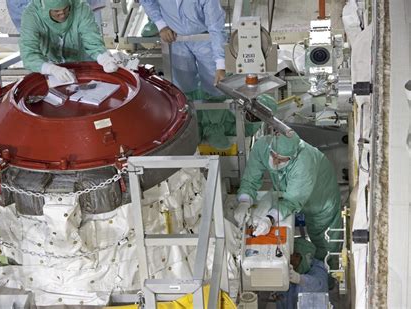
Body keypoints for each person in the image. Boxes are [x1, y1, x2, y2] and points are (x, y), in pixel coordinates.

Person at [234, 132, 342, 261]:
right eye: (273, 155)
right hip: (291, 191)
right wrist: (244, 202)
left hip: (321, 199)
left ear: (293, 157)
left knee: (326, 246)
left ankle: (326, 277)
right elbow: (250, 179)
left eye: (281, 160)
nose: (275, 161)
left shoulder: (304, 163)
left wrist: (270, 219)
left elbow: (291, 201)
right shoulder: (262, 146)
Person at [139, 0, 226, 100]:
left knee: (214, 84)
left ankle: (216, 112)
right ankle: (188, 111)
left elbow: (216, 27)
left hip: (205, 38)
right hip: (176, 38)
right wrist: (161, 25)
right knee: (183, 84)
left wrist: (220, 65)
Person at [19, 0, 118, 82]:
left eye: (66, 9)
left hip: (83, 65)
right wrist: (51, 68)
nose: (62, 15)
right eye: (56, 12)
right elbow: (29, 53)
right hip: (50, 68)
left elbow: (92, 40)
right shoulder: (32, 15)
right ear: (45, 7)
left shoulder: (81, 8)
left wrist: (104, 58)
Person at [275, 238, 329, 309]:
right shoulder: (287, 270)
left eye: (294, 257)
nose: (291, 261)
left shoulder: (317, 267)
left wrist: (300, 279)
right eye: (289, 258)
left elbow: (320, 286)